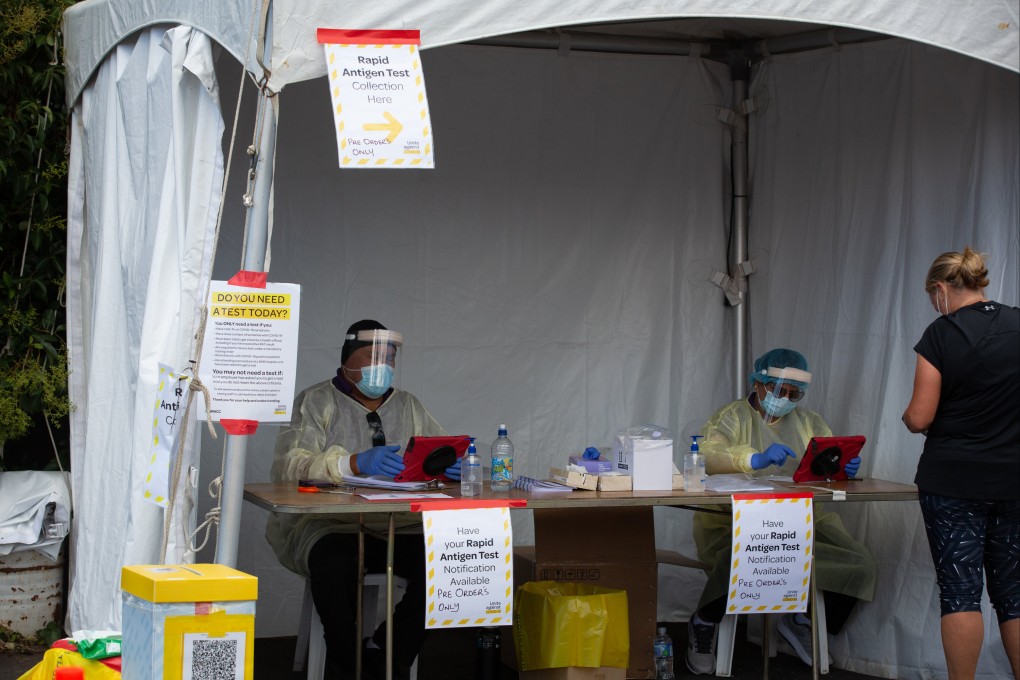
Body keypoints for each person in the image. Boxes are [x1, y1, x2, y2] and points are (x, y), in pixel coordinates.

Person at [266, 320, 461, 680]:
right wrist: (351, 463)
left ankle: (387, 653)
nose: (381, 366)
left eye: (389, 358)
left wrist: (448, 465)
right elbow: (290, 465)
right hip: (331, 524)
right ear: (348, 358)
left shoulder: (408, 405)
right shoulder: (317, 401)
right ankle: (346, 663)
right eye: (373, 357)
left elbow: (438, 448)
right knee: (334, 566)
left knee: (450, 563)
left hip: (400, 525)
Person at [685, 348, 876, 675]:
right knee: (743, 556)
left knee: (860, 563)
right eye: (778, 389)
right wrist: (753, 459)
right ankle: (704, 620)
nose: (784, 398)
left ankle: (803, 621)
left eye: (793, 393)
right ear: (757, 383)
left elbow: (825, 462)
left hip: (800, 521)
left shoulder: (809, 423)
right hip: (736, 520)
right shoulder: (732, 417)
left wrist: (841, 468)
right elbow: (709, 455)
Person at [901, 248, 1019, 680]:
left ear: (940, 288)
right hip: (1014, 480)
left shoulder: (941, 333)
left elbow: (919, 417)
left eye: (933, 298)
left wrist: (909, 417)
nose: (935, 306)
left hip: (953, 482)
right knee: (1015, 594)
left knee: (960, 593)